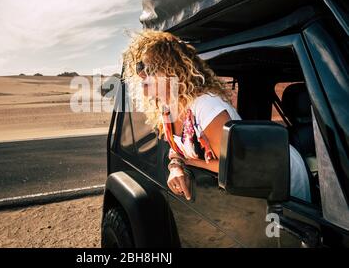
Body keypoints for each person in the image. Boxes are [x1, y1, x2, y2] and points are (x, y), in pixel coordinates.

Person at [122, 30, 311, 202]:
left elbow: (234, 165)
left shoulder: (205, 105)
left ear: (172, 70)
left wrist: (188, 162)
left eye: (148, 68)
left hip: (277, 173)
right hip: (251, 185)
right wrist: (176, 166)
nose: (141, 74)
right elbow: (176, 150)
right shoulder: (167, 109)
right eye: (139, 70)